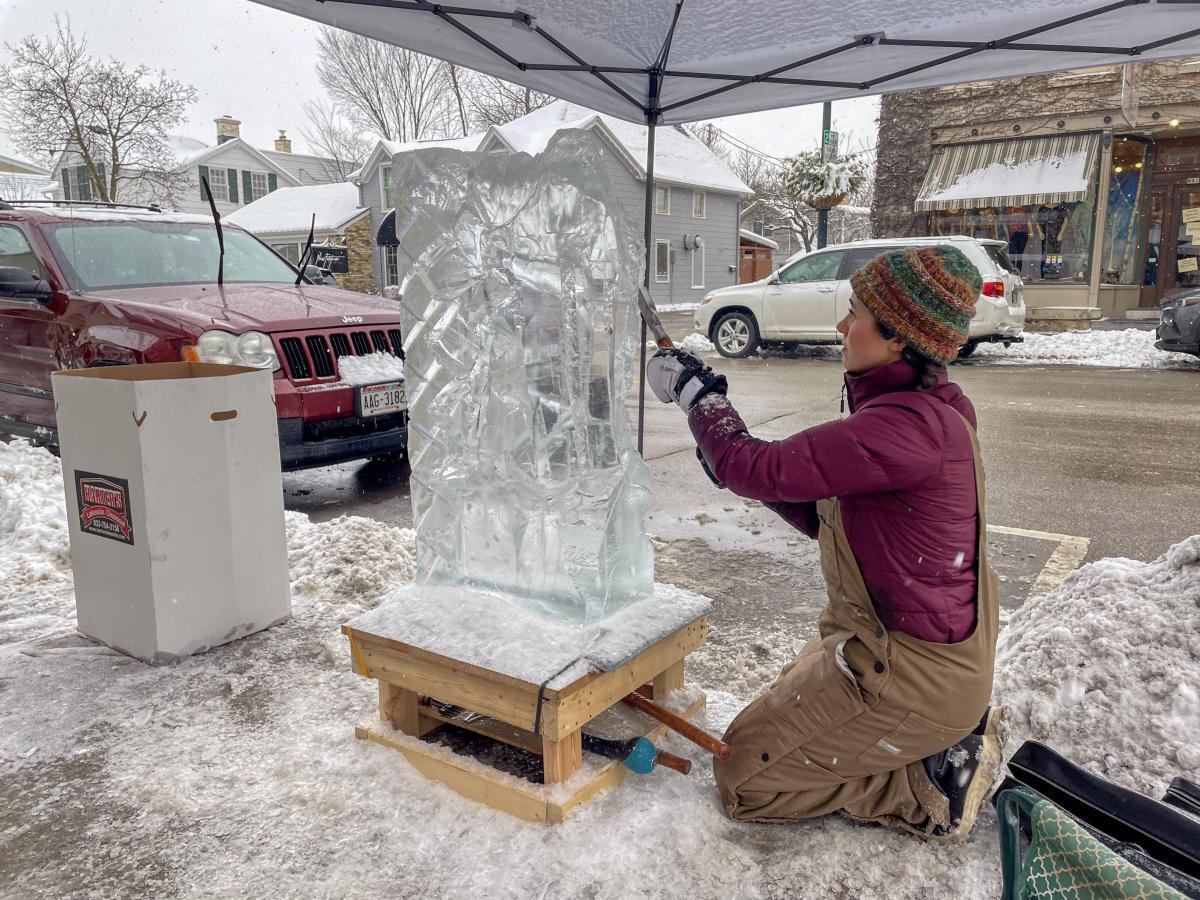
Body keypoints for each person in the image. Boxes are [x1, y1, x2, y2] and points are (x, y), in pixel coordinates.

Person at [646, 245, 1005, 842]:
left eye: (855, 312)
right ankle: (920, 737)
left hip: (914, 671)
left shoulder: (906, 427)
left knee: (742, 775)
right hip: (891, 646)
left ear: (897, 340)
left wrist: (697, 397)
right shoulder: (922, 411)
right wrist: (731, 460)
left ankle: (930, 783)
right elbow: (826, 518)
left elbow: (752, 466)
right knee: (778, 714)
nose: (842, 325)